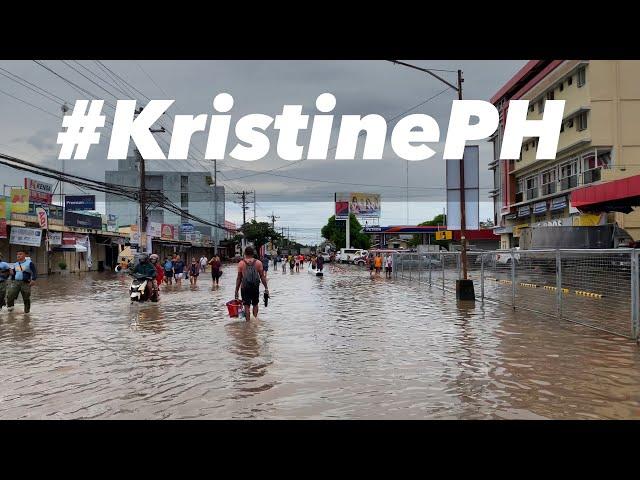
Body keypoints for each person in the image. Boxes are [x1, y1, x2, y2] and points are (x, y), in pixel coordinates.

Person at [235, 246, 269, 322]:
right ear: (253, 253)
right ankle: (255, 321)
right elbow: (262, 277)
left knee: (246, 306)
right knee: (255, 304)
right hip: (255, 287)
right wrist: (266, 288)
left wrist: (236, 290)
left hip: (245, 287)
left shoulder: (241, 263)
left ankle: (248, 323)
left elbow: (239, 278)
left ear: (245, 253)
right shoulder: (258, 263)